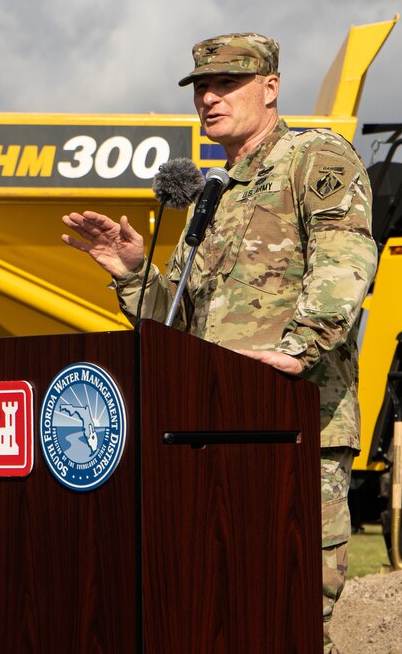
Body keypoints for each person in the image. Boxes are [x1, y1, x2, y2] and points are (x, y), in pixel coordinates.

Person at [61, 32, 377, 652]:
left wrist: (300, 346)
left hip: (294, 426)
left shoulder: (314, 158)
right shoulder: (212, 194)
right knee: (218, 606)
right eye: (201, 87)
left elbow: (346, 259)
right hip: (212, 431)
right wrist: (131, 272)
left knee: (290, 608)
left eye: (226, 83)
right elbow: (176, 324)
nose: (209, 97)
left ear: (270, 87)